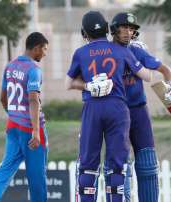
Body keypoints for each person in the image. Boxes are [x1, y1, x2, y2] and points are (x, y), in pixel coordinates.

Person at [65, 11, 152, 202]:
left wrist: (88, 85)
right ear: (107, 29)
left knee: (88, 166)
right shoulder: (121, 50)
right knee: (117, 167)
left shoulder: (80, 53)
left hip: (92, 108)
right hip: (118, 109)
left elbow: (68, 83)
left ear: (84, 33)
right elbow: (147, 76)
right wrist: (139, 53)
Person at [110, 12, 171, 202]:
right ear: (114, 29)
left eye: (131, 28)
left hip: (139, 111)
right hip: (116, 113)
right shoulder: (106, 52)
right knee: (120, 166)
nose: (128, 31)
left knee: (148, 164)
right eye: (124, 27)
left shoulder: (137, 50)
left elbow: (165, 70)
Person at [0, 32, 49, 202]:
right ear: (36, 48)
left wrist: (14, 115)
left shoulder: (10, 66)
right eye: (44, 49)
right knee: (37, 179)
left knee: (5, 172)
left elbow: (2, 98)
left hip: (13, 127)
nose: (45, 53)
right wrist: (36, 131)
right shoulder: (34, 70)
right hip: (30, 130)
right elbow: (33, 99)